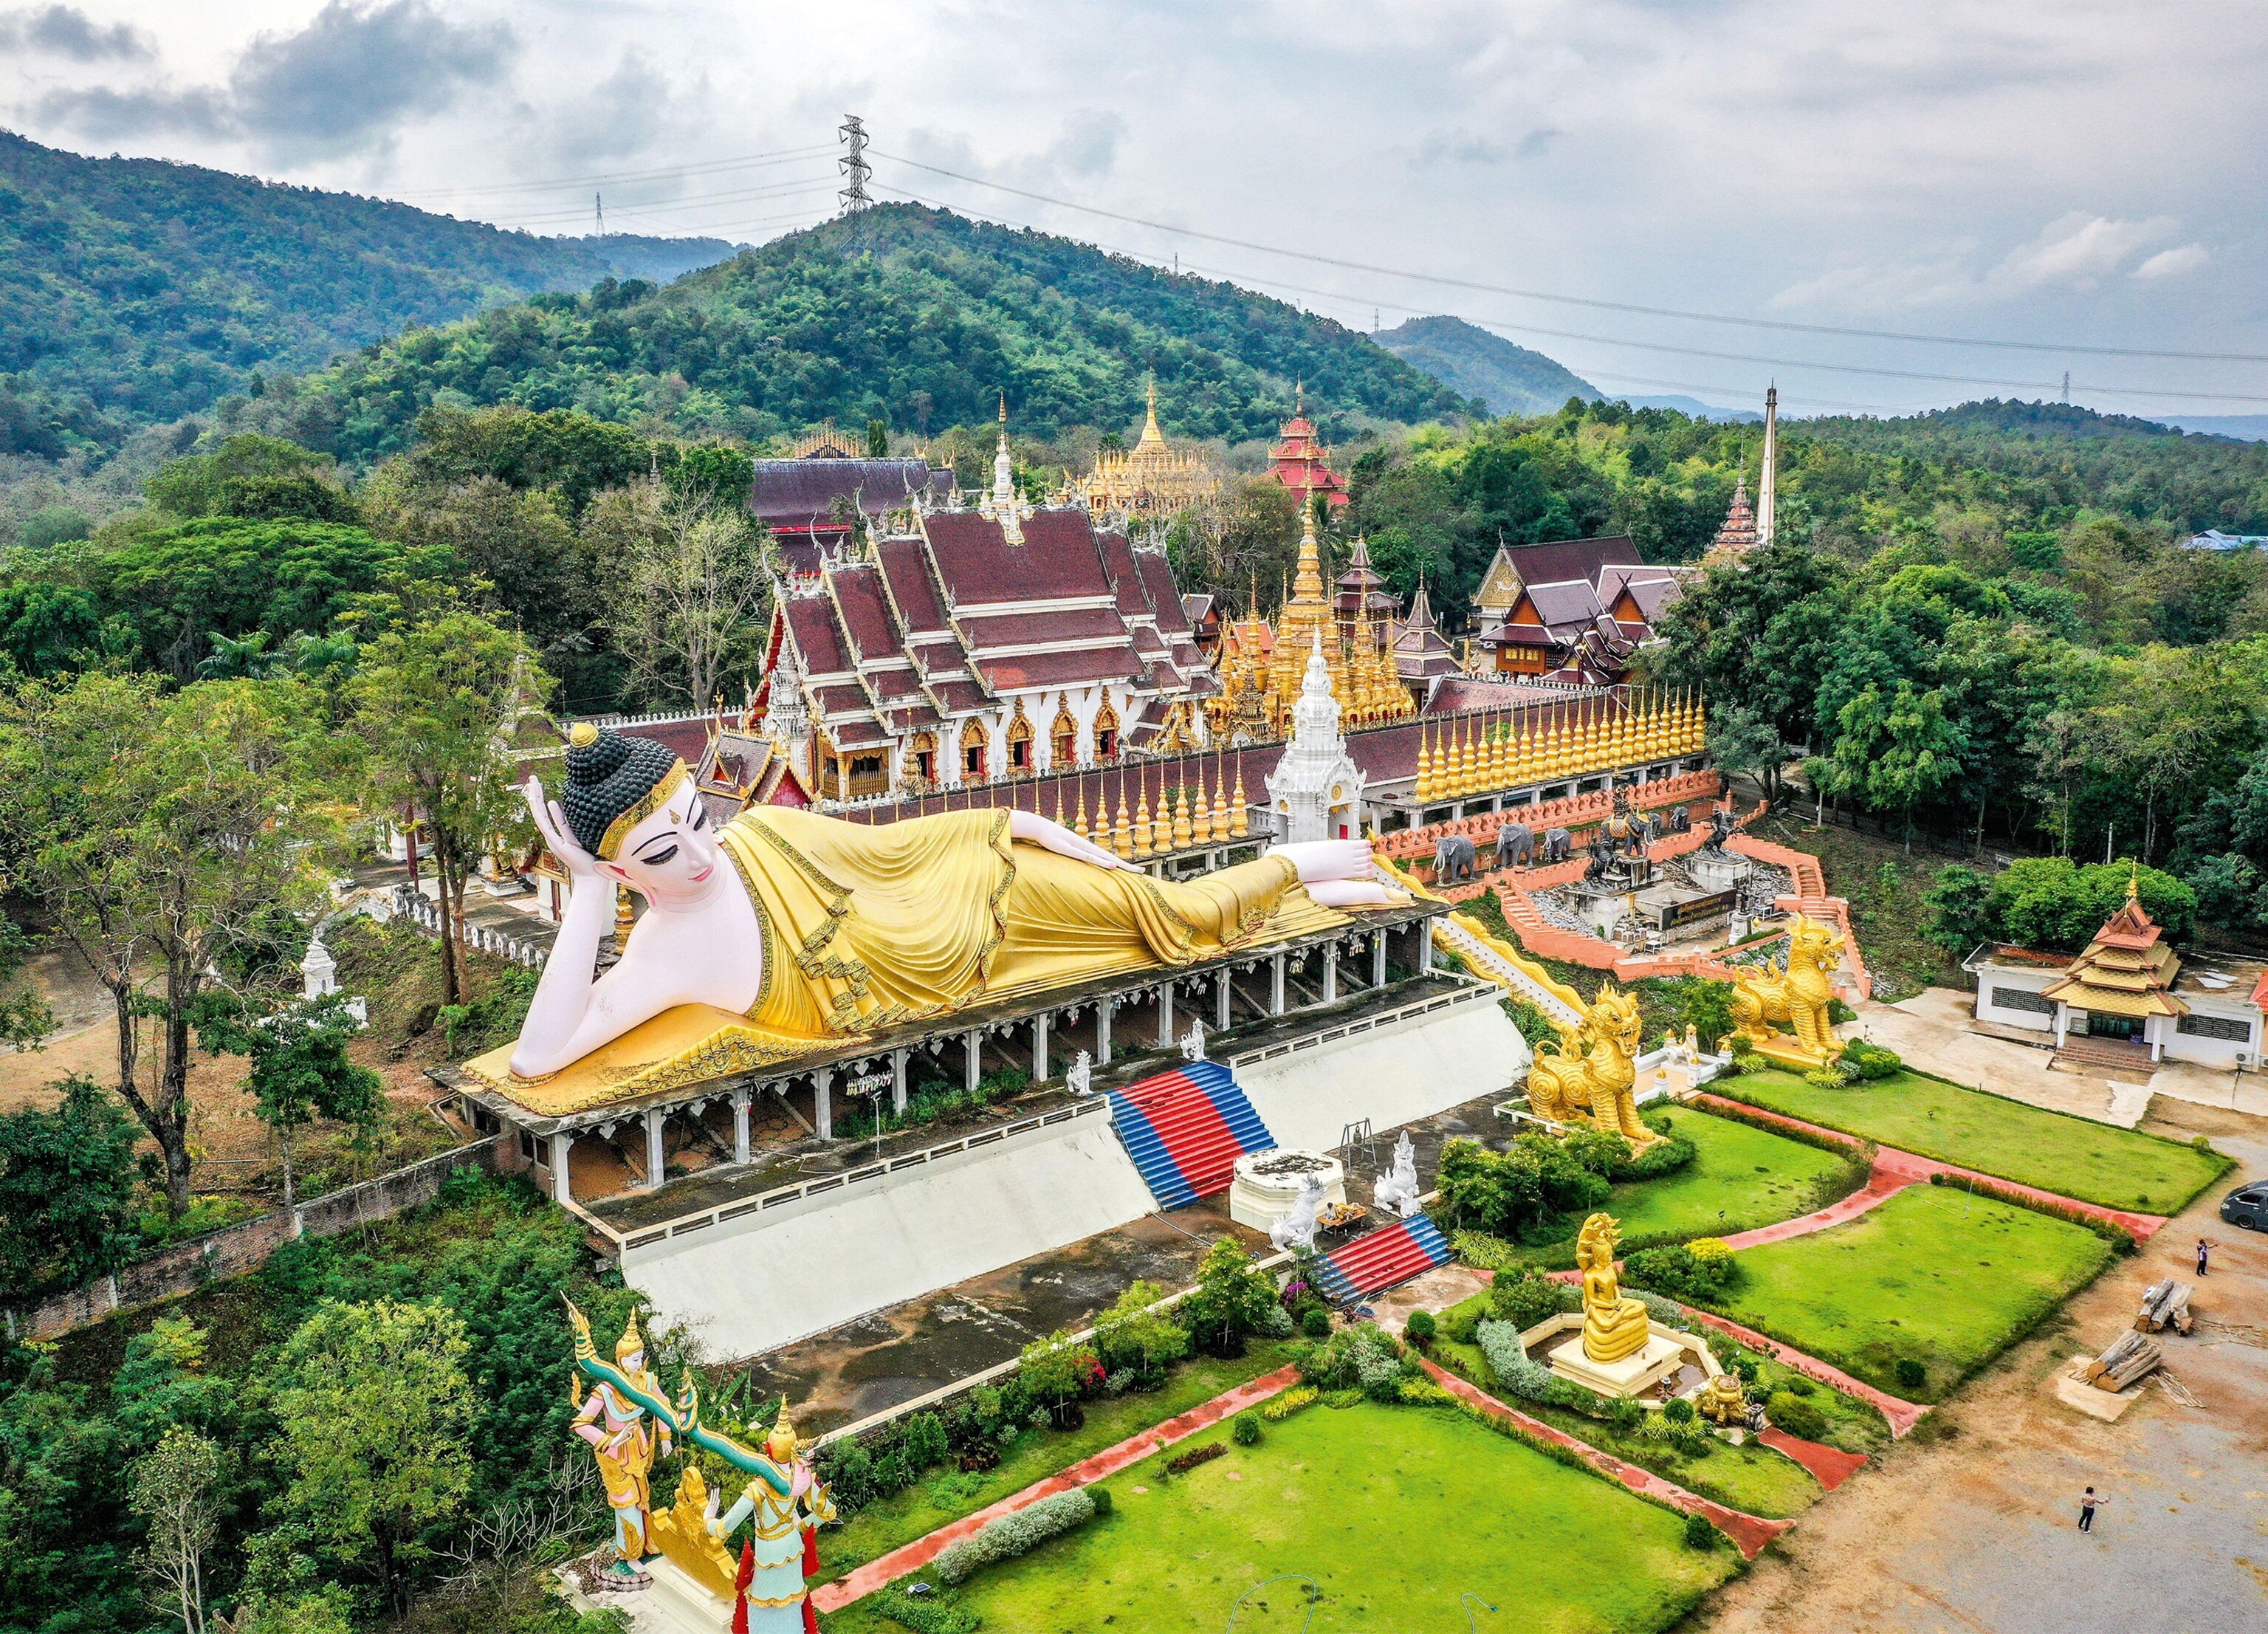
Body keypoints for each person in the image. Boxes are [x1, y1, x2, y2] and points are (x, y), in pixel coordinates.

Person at [508, 725, 1400, 1082]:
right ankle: (1292, 869)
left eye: (699, 819)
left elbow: (903, 848)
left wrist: (1031, 828)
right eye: (662, 851)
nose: (700, 854)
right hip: (977, 964)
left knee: (1173, 912)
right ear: (628, 876)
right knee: (1183, 925)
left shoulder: (760, 839)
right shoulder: (667, 952)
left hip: (987, 892)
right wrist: (586, 887)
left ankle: (1295, 870)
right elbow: (539, 1057)